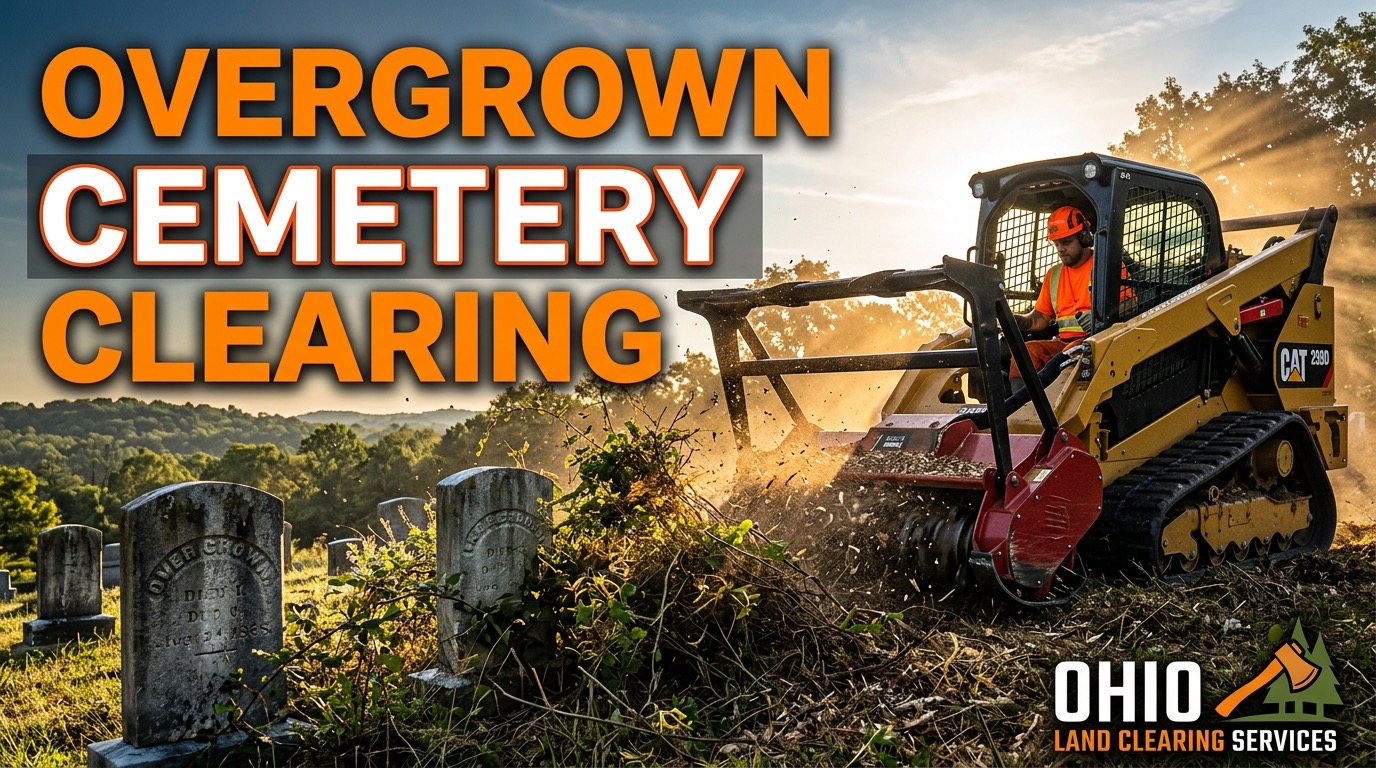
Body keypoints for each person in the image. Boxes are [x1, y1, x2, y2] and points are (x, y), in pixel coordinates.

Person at [1011, 205, 1097, 385]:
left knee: (1071, 352)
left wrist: (1100, 318)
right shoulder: (1054, 274)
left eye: (1066, 242)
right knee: (1025, 352)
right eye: (1056, 244)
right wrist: (1016, 321)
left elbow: (1128, 307)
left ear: (1084, 237)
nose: (1060, 249)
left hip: (1097, 344)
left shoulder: (1104, 265)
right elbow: (1041, 317)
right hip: (1064, 345)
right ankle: (1019, 408)